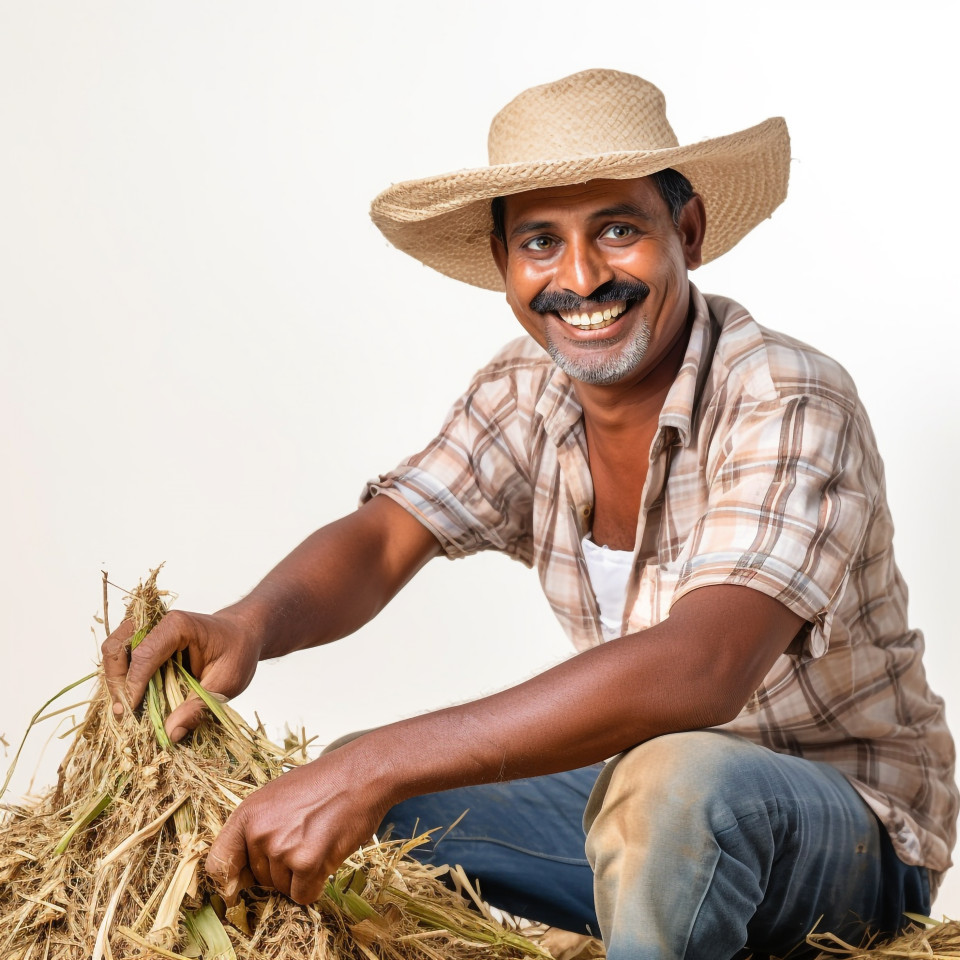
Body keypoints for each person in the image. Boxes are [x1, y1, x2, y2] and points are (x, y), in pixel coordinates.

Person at [102, 69, 957, 960]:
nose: (581, 277)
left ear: (688, 233)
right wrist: (248, 623)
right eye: (541, 242)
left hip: (851, 831)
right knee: (352, 792)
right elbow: (385, 536)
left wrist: (380, 761)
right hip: (648, 802)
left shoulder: (785, 392)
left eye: (618, 230)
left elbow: (703, 667)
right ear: (506, 263)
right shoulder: (524, 389)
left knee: (665, 784)